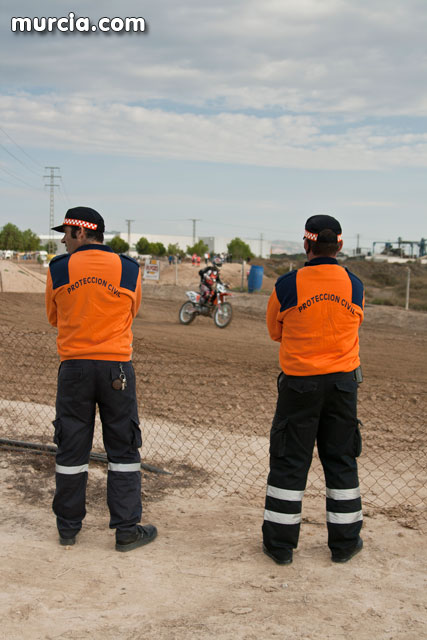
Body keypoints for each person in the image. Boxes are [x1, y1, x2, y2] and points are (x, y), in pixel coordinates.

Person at [45, 206, 157, 552]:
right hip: (116, 369)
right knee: (123, 448)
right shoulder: (129, 268)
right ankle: (126, 529)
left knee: (71, 447)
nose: (63, 239)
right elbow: (131, 311)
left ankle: (68, 527)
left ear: (81, 232)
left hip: (74, 368)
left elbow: (53, 317)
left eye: (66, 232)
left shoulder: (59, 268)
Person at [262, 215, 364, 565]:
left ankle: (280, 547)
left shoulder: (288, 284)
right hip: (342, 385)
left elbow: (275, 331)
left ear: (306, 244)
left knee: (290, 462)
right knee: (341, 461)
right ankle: (345, 544)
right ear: (339, 245)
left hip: (299, 386)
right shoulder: (355, 285)